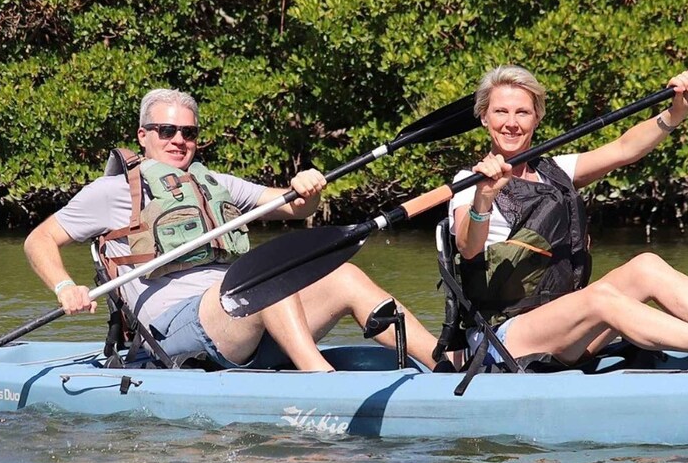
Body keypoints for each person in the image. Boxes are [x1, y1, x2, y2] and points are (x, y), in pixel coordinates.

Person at [25, 88, 439, 372]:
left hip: (240, 317)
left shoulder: (217, 184)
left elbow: (295, 207)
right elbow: (40, 239)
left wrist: (307, 189)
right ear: (143, 135)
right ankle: (320, 380)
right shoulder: (113, 191)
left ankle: (446, 362)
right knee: (263, 282)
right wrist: (65, 287)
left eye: (188, 133)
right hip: (173, 329)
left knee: (342, 275)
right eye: (166, 131)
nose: (178, 140)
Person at [448, 64, 688, 369]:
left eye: (522, 112)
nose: (511, 123)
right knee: (601, 297)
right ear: (484, 118)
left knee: (646, 266)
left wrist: (674, 114)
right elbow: (467, 247)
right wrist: (484, 199)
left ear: (537, 117)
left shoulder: (554, 169)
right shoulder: (469, 182)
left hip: (569, 327)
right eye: (501, 112)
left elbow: (624, 149)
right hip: (504, 337)